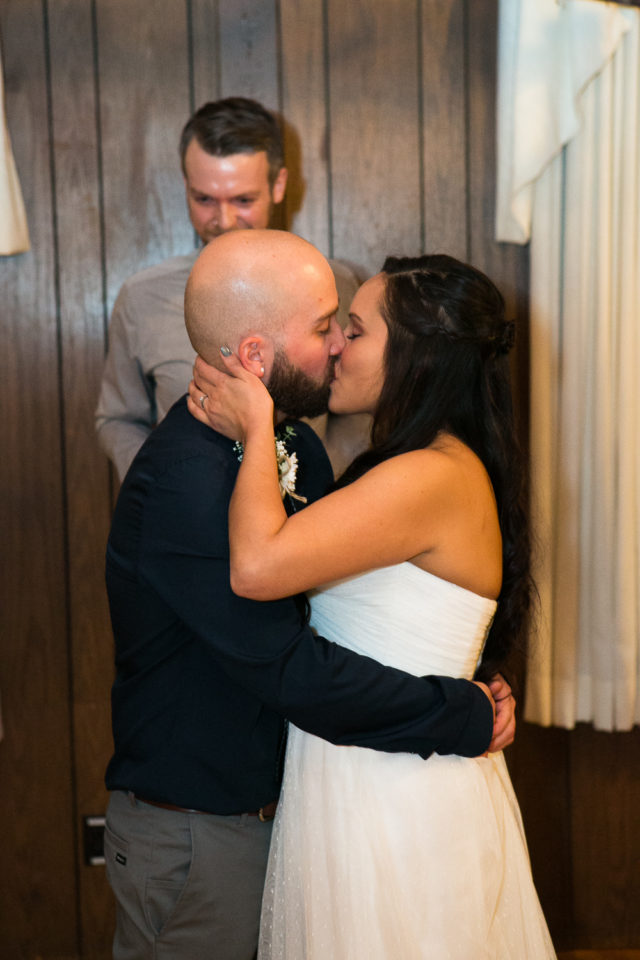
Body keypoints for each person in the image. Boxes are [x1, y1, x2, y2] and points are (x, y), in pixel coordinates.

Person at [104, 229, 516, 960]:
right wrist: (457, 709)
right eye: (328, 327)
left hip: (303, 807)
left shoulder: (299, 447)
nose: (335, 346)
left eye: (348, 328)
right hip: (200, 828)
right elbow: (290, 665)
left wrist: (463, 672)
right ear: (257, 356)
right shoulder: (186, 483)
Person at [94, 96, 365, 482]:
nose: (224, 221)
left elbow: (362, 406)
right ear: (185, 187)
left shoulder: (337, 286)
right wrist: (166, 482)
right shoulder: (141, 298)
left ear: (279, 185)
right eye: (204, 199)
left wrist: (317, 481)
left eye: (242, 200)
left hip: (311, 529)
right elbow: (117, 417)